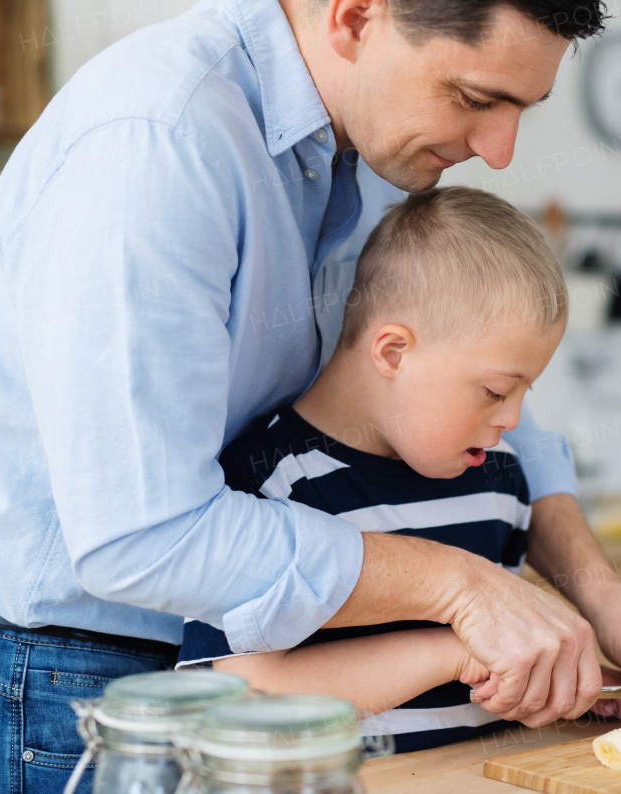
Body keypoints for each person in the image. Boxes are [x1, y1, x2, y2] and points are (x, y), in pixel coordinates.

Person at [0, 0, 621, 790]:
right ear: (356, 15)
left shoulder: (378, 144)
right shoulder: (158, 140)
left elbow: (490, 394)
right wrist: (465, 590)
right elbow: (140, 535)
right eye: (476, 96)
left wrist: (601, 591)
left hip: (227, 680)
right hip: (47, 679)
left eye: (524, 106)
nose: (500, 148)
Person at [179, 186, 575, 751]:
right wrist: (453, 654)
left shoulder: (500, 480)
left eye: (523, 393)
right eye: (494, 391)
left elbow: (499, 677)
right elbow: (248, 695)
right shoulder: (271, 483)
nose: (512, 419)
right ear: (392, 353)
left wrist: (555, 688)